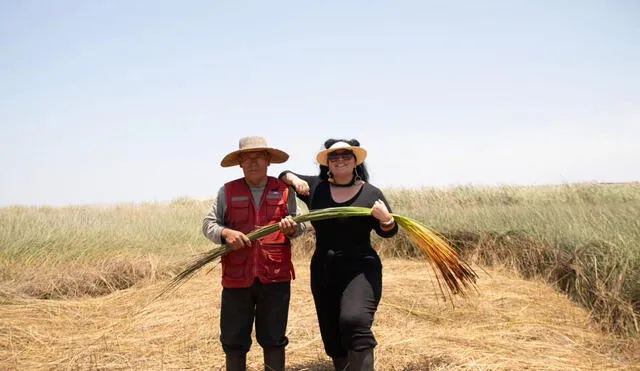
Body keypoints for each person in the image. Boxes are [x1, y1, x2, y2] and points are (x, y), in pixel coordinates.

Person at [278, 138, 398, 371]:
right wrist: (294, 179)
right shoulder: (316, 187)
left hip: (361, 266)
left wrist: (386, 220)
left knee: (355, 321)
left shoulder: (371, 193)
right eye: (334, 157)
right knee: (332, 333)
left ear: (355, 161)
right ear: (327, 163)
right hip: (324, 267)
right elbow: (284, 173)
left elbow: (389, 232)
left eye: (346, 156)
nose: (340, 160)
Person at [202, 136, 306, 371]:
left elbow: (301, 225)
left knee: (274, 339)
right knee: (234, 341)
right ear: (240, 163)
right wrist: (226, 233)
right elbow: (209, 225)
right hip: (237, 278)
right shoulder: (227, 191)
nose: (253, 162)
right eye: (247, 158)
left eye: (259, 156)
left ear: (268, 161)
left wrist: (293, 228)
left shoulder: (284, 191)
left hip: (276, 277)